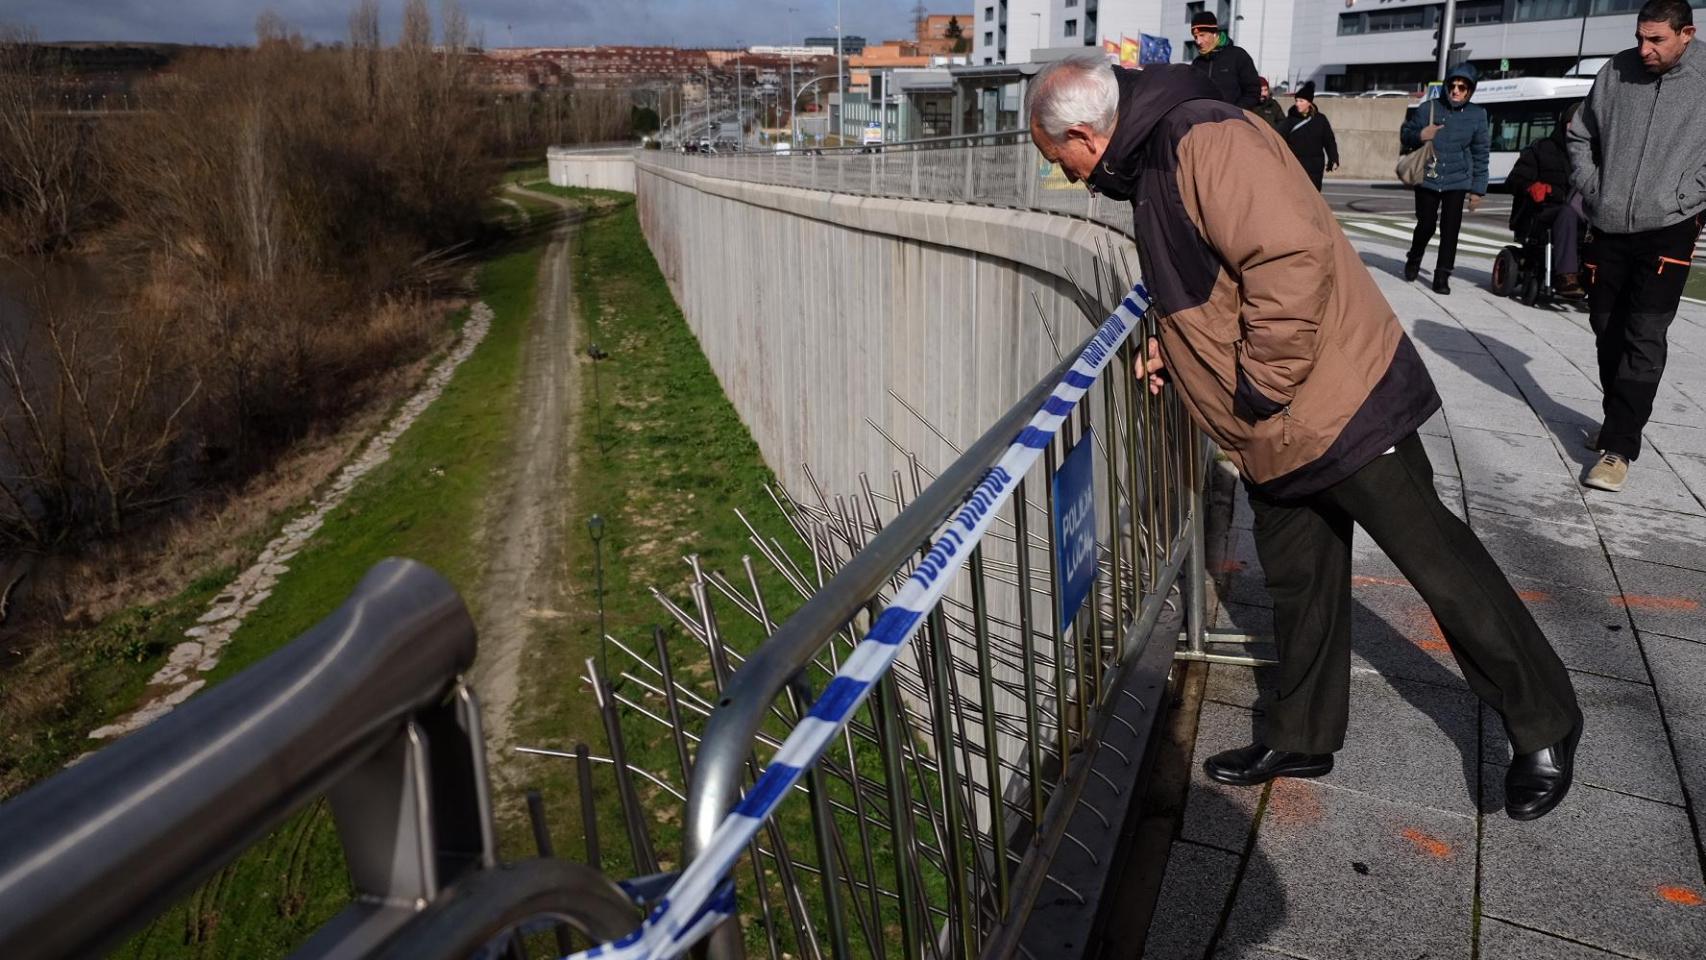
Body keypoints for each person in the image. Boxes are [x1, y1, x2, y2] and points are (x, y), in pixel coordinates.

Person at [1025, 55, 1582, 821]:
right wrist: (1180, 353)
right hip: (1278, 425)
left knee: (1439, 564)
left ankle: (1546, 721)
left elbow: (1289, 259)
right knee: (1300, 580)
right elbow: (1211, 281)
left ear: (1086, 131)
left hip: (1330, 401)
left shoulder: (1201, 138)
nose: (1075, 179)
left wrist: (1260, 384)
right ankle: (1302, 733)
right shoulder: (1157, 151)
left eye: (1065, 162)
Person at [1567, 0, 1705, 493]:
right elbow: (1579, 133)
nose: (1644, 49)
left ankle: (1620, 448)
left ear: (1686, 33)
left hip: (1669, 227)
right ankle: (1615, 424)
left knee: (1644, 336)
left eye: (1657, 40)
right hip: (1608, 224)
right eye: (1640, 38)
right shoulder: (1616, 70)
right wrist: (1593, 186)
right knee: (1607, 327)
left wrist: (1686, 198)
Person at [1400, 63, 1490, 295]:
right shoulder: (1428, 108)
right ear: (1446, 86)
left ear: (1470, 90)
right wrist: (1421, 134)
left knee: (1451, 230)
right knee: (1426, 224)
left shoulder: (1477, 116)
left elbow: (1481, 154)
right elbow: (1405, 134)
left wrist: (1477, 190)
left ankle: (1442, 275)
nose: (1456, 90)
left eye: (1462, 87)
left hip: (1457, 181)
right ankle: (1414, 257)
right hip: (1428, 176)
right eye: (1453, 85)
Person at [1505, 102, 1586, 299]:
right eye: (1573, 124)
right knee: (1567, 213)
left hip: (1584, 212)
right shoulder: (1542, 148)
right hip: (1546, 211)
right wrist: (1532, 186)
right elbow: (1515, 179)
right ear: (1564, 124)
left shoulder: (1593, 156)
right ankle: (1567, 275)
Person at [1188, 11, 1260, 109]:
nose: (1198, 41)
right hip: (1203, 119)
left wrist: (1235, 111)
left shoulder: (1238, 56)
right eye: (1195, 37)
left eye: (1202, 35)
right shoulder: (1197, 63)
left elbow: (1253, 92)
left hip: (1233, 120)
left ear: (1214, 33)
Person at [1279, 82, 1338, 191]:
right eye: (1296, 100)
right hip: (1296, 165)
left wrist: (1333, 158)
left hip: (1315, 167)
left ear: (1309, 103)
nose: (1297, 104)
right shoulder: (1290, 121)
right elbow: (1278, 138)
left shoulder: (1320, 120)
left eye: (1301, 101)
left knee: (1313, 197)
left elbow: (1329, 140)